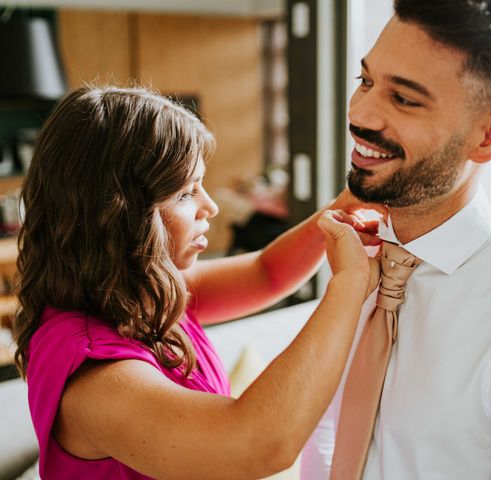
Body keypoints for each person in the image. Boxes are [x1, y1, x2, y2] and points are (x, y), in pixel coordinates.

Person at [301, 1, 491, 479]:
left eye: (403, 99)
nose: (360, 114)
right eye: (366, 81)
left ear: (489, 135)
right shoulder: (357, 255)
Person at [12, 85, 382, 479]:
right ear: (120, 216)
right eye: (187, 193)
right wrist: (349, 284)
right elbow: (258, 445)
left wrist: (350, 202)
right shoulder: (95, 379)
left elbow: (267, 273)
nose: (212, 206)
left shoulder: (144, 292)